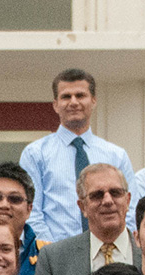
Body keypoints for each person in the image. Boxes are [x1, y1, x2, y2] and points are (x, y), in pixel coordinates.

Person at [19, 68, 135, 243]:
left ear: (93, 101)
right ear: (55, 105)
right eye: (66, 97)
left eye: (80, 95)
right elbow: (31, 212)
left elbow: (130, 208)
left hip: (110, 254)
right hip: (55, 255)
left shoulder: (116, 155)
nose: (73, 102)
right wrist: (52, 253)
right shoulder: (36, 154)